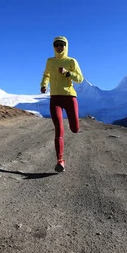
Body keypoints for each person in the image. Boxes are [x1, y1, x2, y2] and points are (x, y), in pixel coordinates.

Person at [40, 36, 84, 172]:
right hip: (55, 98)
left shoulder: (71, 61)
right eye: (57, 44)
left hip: (69, 97)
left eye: (62, 44)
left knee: (75, 128)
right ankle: (60, 160)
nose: (59, 47)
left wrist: (67, 73)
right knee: (58, 129)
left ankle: (74, 127)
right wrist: (43, 85)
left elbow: (80, 79)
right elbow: (46, 75)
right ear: (54, 46)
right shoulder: (50, 61)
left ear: (66, 46)